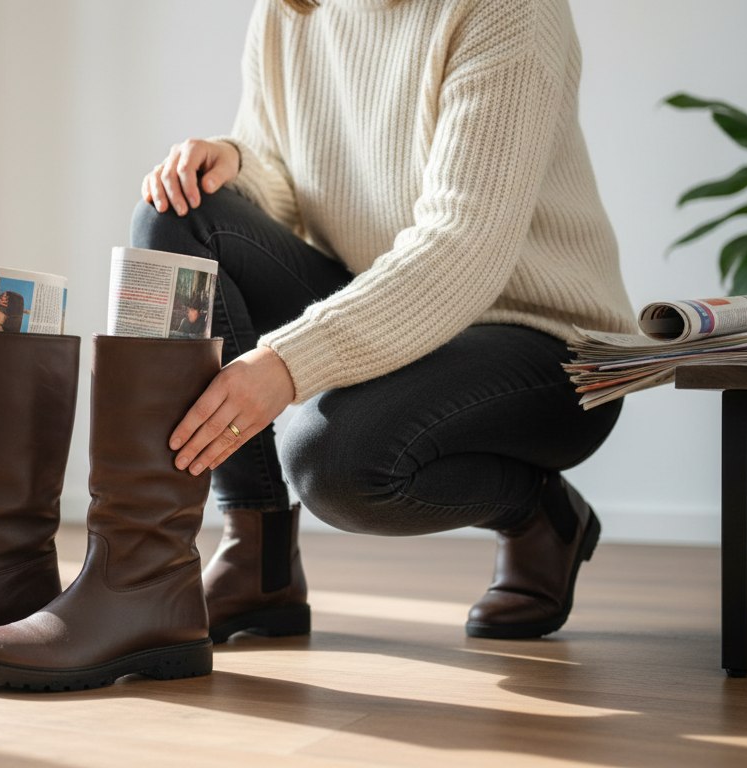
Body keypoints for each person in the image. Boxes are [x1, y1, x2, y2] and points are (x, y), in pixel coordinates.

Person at [132, 0, 636, 642]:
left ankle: (537, 509)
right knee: (175, 215)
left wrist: (289, 363)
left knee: (329, 458)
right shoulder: (292, 10)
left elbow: (463, 245)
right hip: (392, 302)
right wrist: (238, 161)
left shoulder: (509, 9)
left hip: (548, 347)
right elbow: (286, 172)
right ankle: (257, 559)